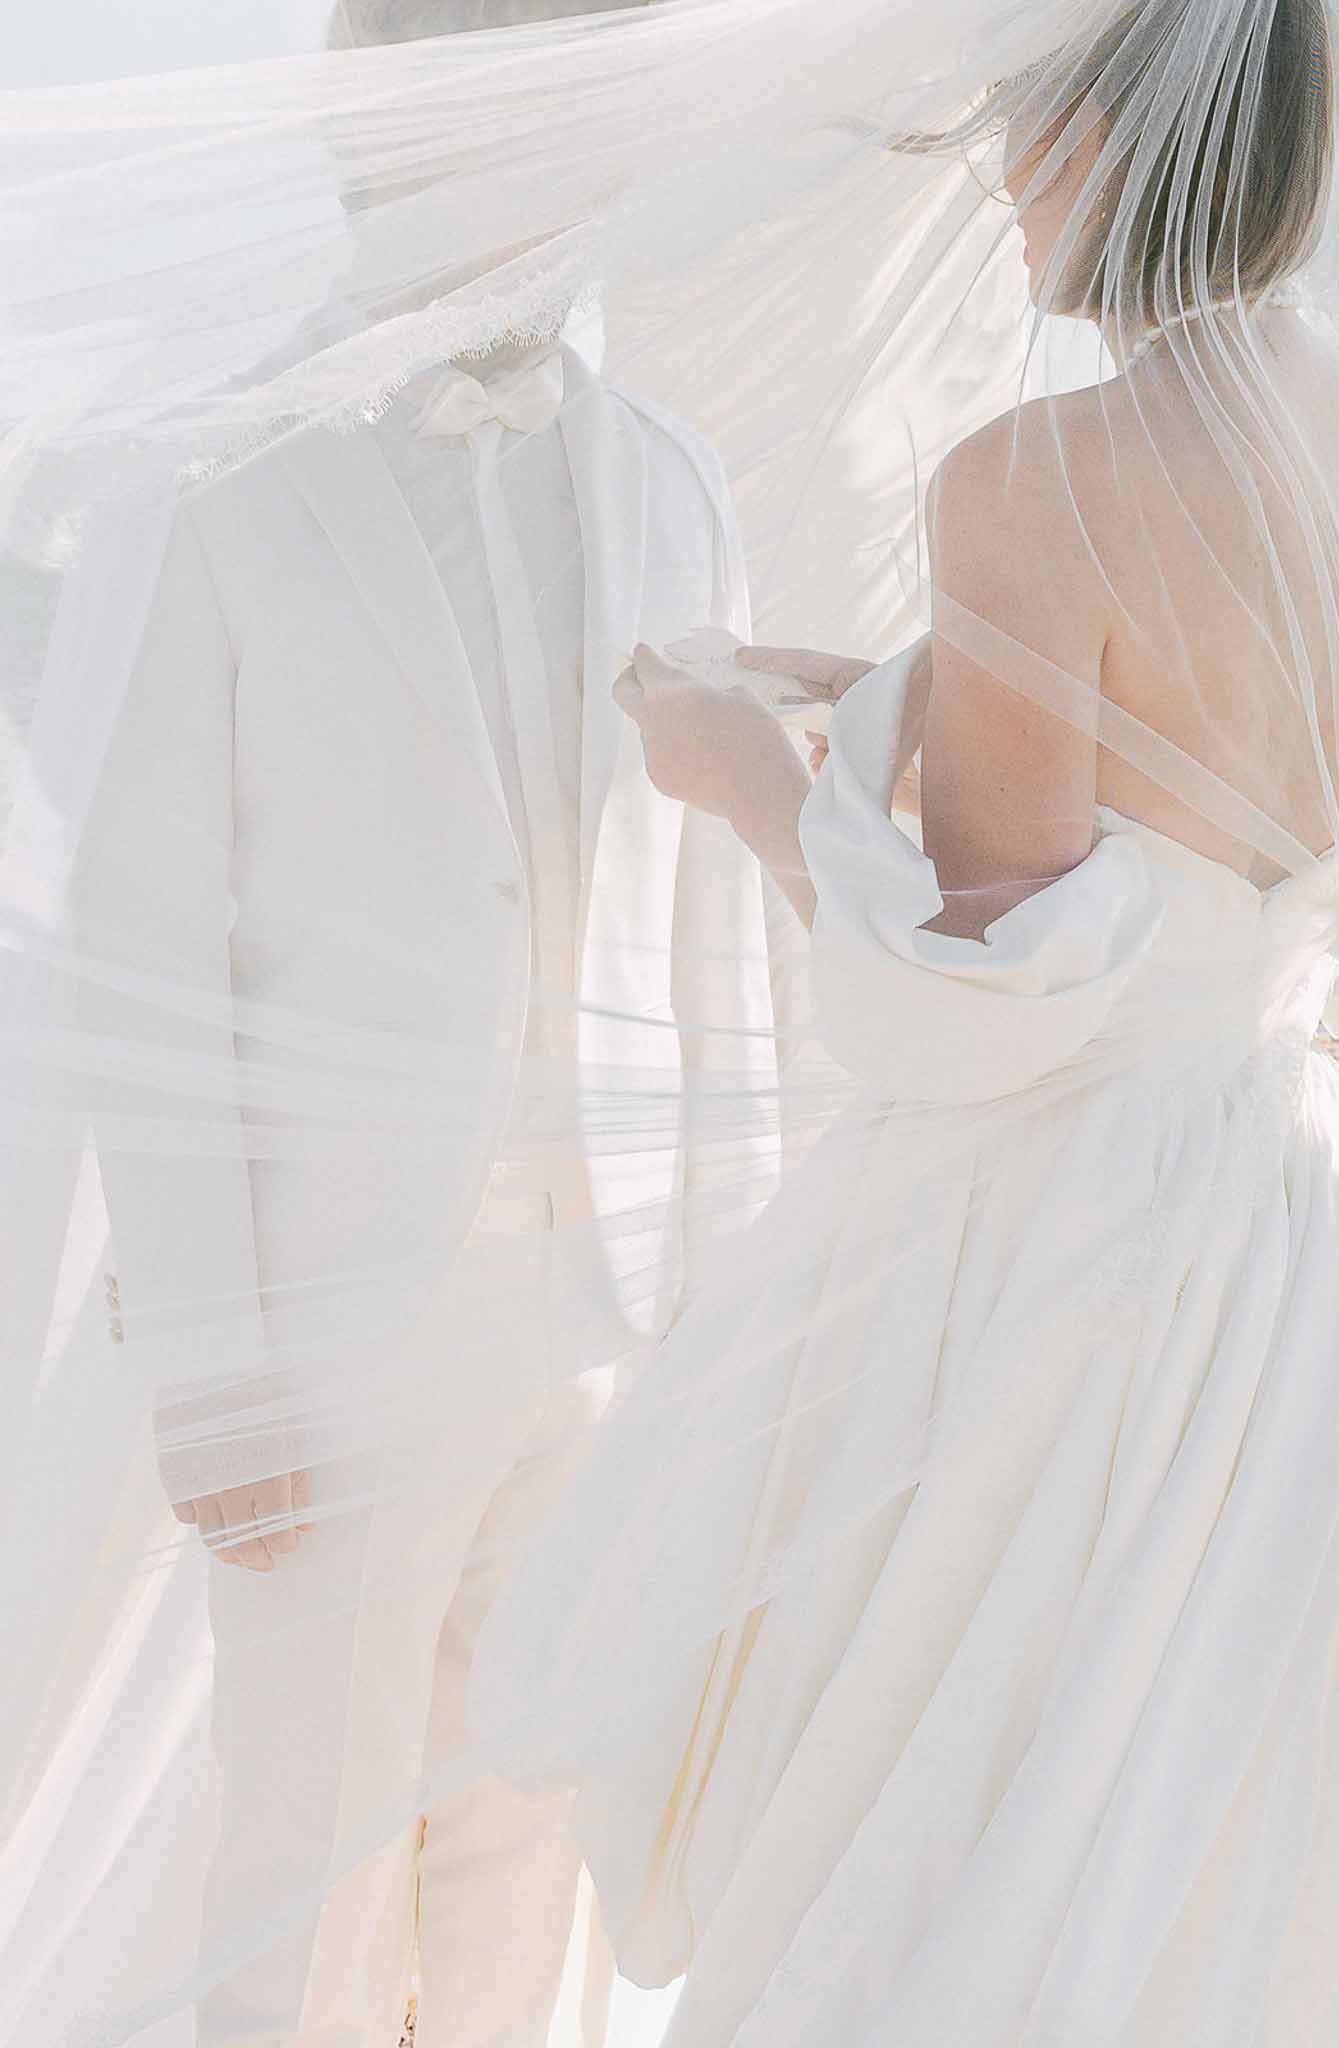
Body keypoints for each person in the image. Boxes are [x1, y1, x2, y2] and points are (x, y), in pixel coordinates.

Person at [471, 4, 1339, 2042]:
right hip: (1278, 1247)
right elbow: (1205, 797)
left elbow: (968, 991)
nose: (990, 180)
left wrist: (743, 776)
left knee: (944, 1836)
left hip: (1066, 1258)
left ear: (1109, 142)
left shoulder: (1031, 477)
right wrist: (910, 688)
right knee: (1177, 1833)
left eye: (1010, 133)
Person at [47, 4, 783, 2042]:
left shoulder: (669, 480)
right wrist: (207, 1356)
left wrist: (719, 1292)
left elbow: (709, 922)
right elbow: (145, 939)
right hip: (336, 1326)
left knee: (530, 1840)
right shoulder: (224, 473)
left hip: (610, 1310)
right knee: (302, 1846)